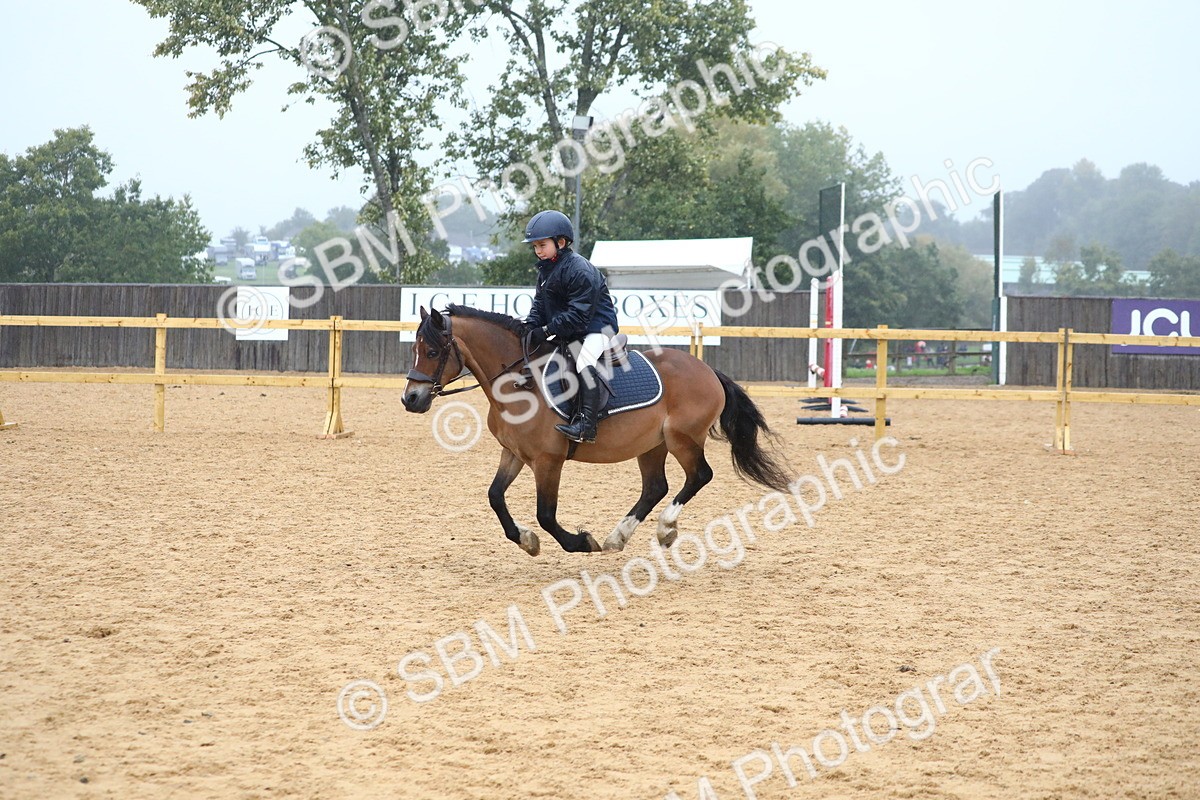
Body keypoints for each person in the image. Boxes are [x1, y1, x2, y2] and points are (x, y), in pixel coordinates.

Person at [523, 210, 619, 444]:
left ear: (561, 242)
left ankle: (588, 426)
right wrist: (529, 326)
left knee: (584, 361)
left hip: (597, 327)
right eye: (535, 246)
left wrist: (546, 330)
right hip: (573, 329)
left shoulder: (580, 270)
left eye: (542, 245)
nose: (538, 251)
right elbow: (540, 305)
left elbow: (577, 315)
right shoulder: (546, 271)